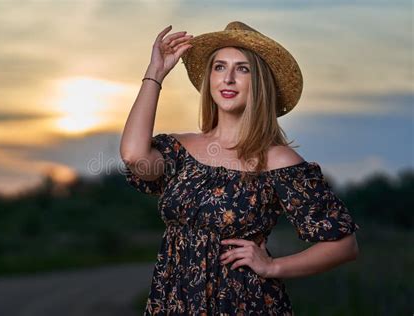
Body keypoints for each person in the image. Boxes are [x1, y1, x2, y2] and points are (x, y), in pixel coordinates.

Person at [120, 21, 360, 316]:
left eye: (242, 69)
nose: (228, 78)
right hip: (174, 302)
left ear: (258, 83)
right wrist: (155, 73)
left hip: (244, 304)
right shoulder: (179, 151)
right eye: (219, 67)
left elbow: (344, 246)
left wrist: (273, 266)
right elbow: (133, 156)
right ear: (209, 79)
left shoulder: (278, 161)